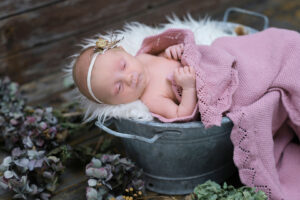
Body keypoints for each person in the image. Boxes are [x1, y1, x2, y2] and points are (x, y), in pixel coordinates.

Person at [72, 38, 197, 120]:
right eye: (119, 87)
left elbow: (165, 58)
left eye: (123, 66)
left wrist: (173, 51)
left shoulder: (143, 57)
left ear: (123, 50)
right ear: (115, 103)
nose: (128, 78)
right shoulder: (151, 99)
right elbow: (182, 115)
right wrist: (189, 88)